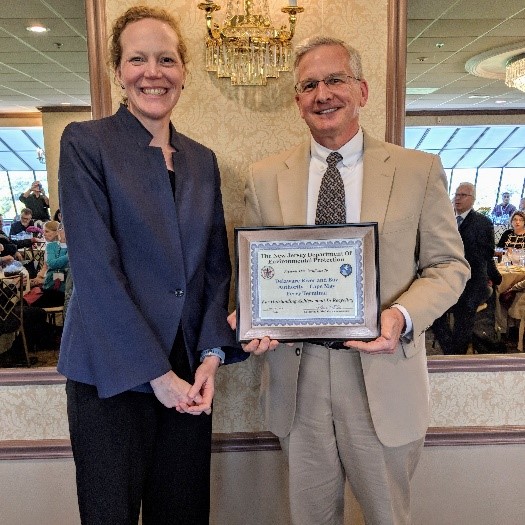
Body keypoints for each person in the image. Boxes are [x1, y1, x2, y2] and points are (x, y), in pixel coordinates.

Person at [228, 36, 469, 524]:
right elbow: (254, 273)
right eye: (309, 85)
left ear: (361, 89)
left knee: (388, 517)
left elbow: (450, 266)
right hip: (297, 380)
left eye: (335, 79)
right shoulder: (265, 176)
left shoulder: (417, 170)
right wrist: (249, 314)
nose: (323, 94)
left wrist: (401, 316)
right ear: (297, 101)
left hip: (382, 378)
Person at [57, 6, 246, 525]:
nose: (152, 72)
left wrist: (210, 356)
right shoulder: (85, 142)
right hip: (110, 375)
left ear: (183, 71)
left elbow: (214, 267)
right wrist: (155, 374)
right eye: (137, 59)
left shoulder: (201, 159)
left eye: (166, 59)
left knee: (183, 515)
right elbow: (95, 269)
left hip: (188, 373)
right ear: (119, 71)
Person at [432, 183, 501, 355]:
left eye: (463, 195)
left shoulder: (482, 223)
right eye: (456, 194)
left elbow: (485, 254)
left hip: (473, 280)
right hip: (447, 279)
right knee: (432, 308)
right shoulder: (445, 220)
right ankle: (452, 351)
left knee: (465, 309)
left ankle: (457, 354)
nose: (458, 198)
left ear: (472, 199)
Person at [29, 221, 68, 308]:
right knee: (29, 298)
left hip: (65, 289)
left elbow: (52, 265)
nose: (44, 234)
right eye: (62, 229)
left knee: (33, 300)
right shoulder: (51, 246)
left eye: (47, 231)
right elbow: (51, 264)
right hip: (51, 285)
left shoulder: (73, 247)